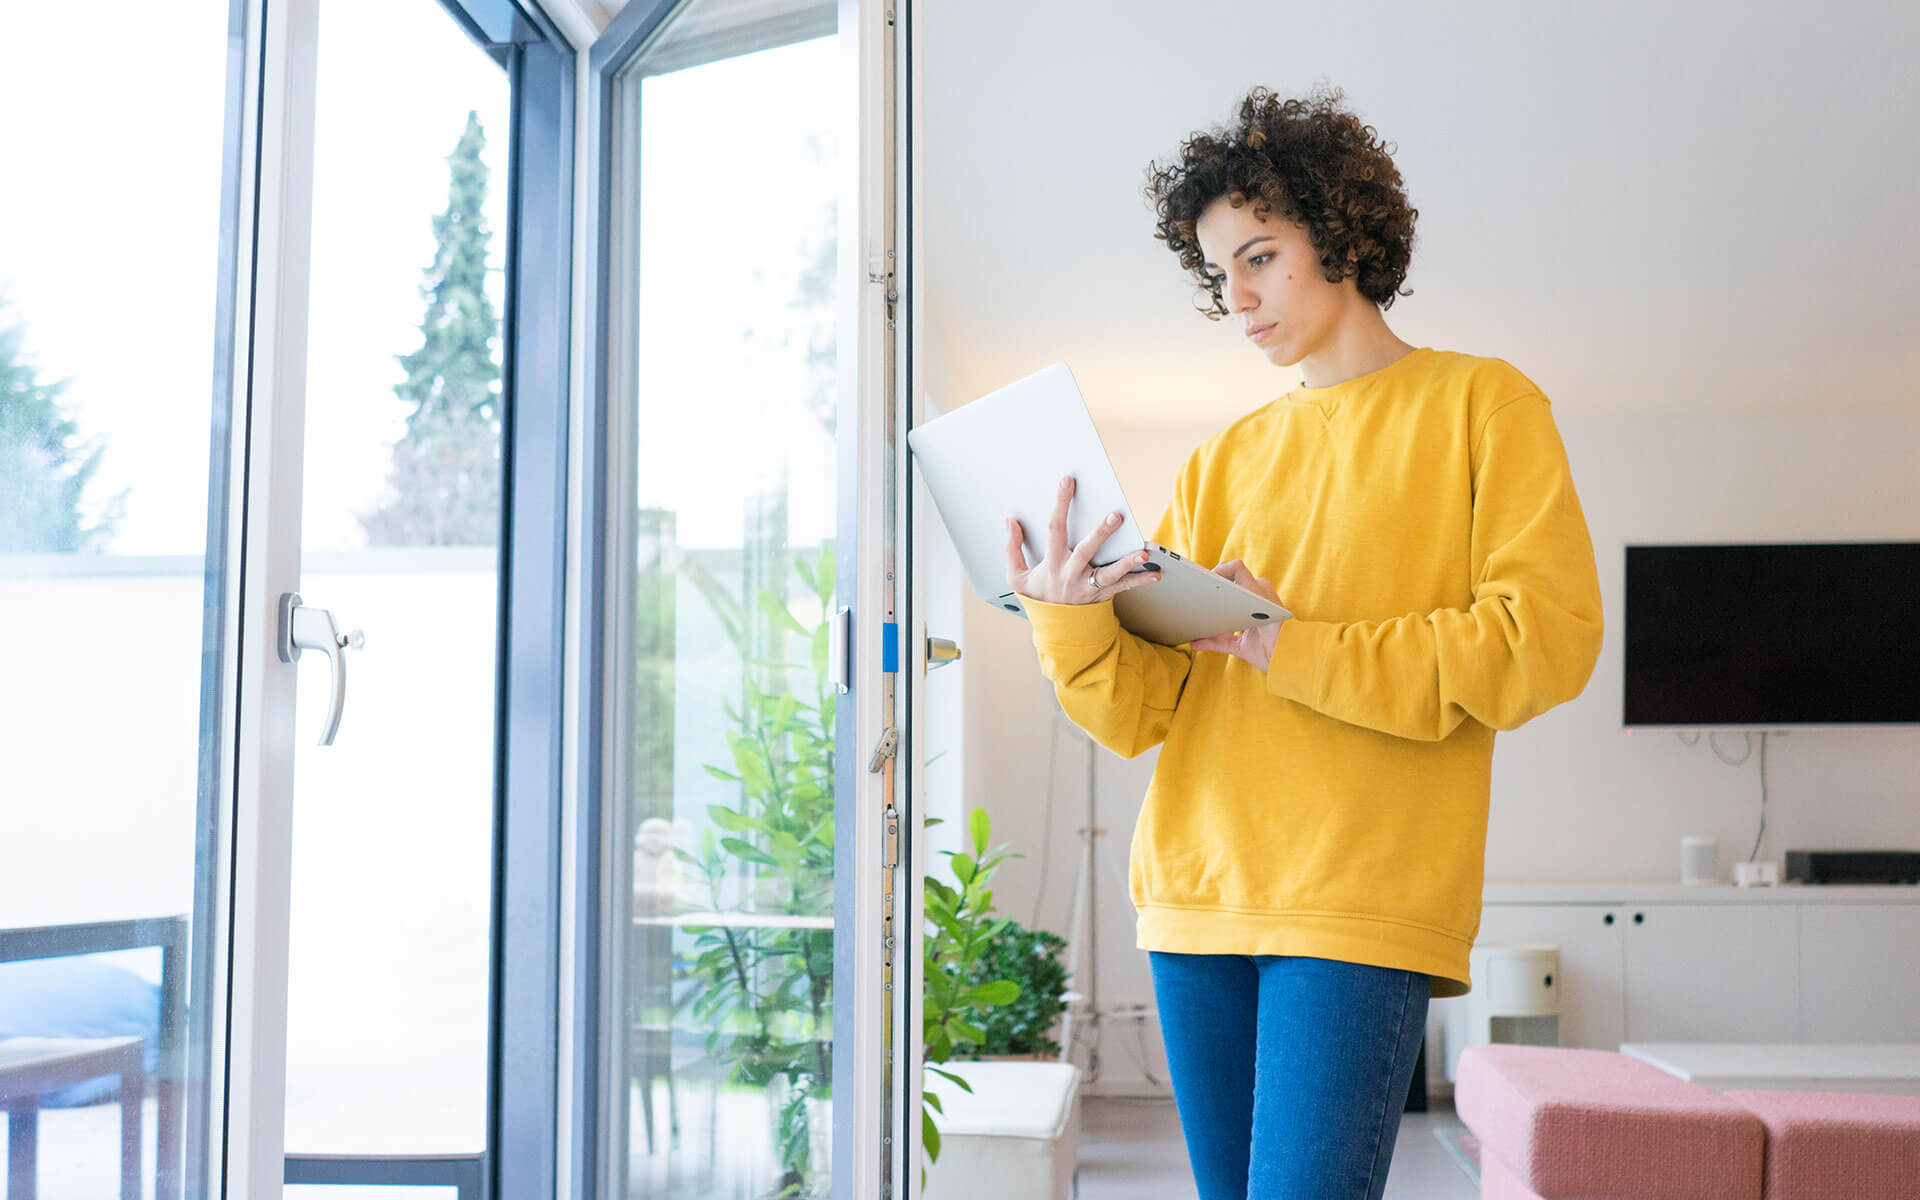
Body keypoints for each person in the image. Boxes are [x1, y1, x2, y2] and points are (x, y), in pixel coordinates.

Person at [1002, 84, 1604, 1200]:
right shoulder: (1221, 462)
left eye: (1261, 256)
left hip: (1359, 899)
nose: (1236, 296)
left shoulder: (1484, 406)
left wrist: (1294, 645)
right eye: (1218, 273)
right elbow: (1145, 713)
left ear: (1340, 234)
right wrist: (1068, 612)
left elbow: (1544, 640)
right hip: (1193, 894)